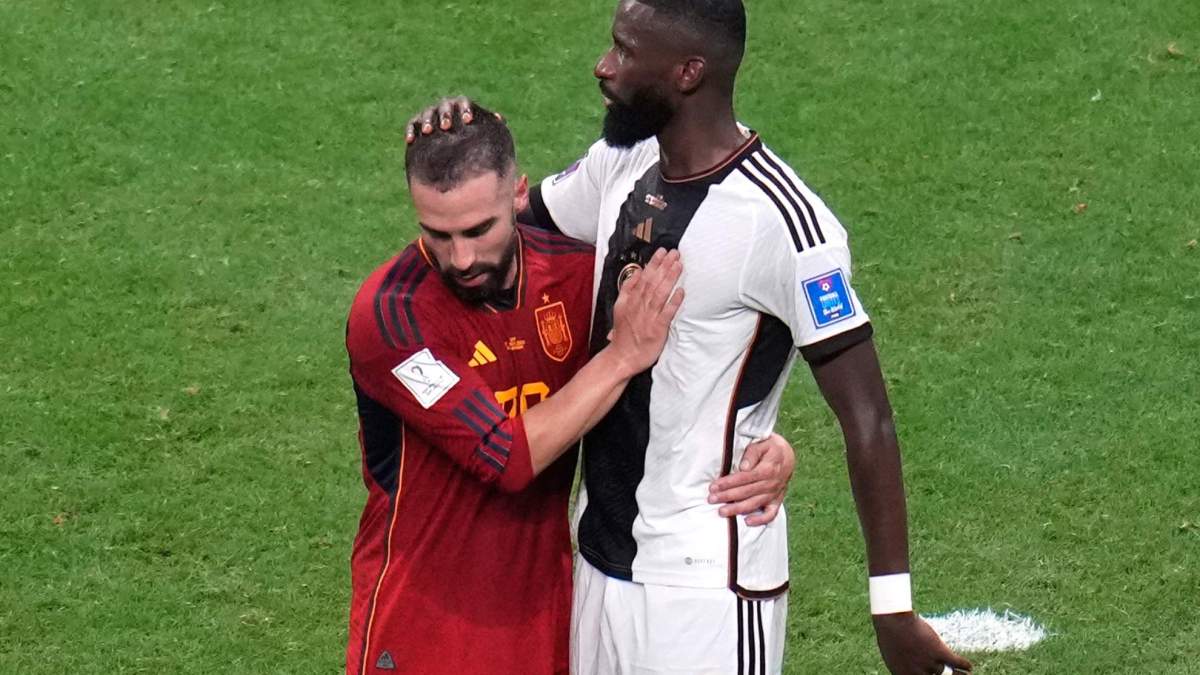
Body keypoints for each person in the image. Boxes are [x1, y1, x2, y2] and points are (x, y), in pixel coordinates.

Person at [407, 2, 974, 674]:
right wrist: (462, 142)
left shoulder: (786, 225)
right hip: (599, 566)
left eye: (625, 51)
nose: (604, 66)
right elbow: (494, 237)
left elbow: (869, 417)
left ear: (687, 72)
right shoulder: (620, 164)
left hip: (705, 590)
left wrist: (892, 609)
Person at [344, 103, 792, 675]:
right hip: (422, 634)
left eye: (479, 230)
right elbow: (506, 458)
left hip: (548, 626)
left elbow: (693, 365)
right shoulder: (391, 316)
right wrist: (621, 356)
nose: (462, 258)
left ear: (519, 195)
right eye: (438, 234)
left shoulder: (577, 277)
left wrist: (761, 444)